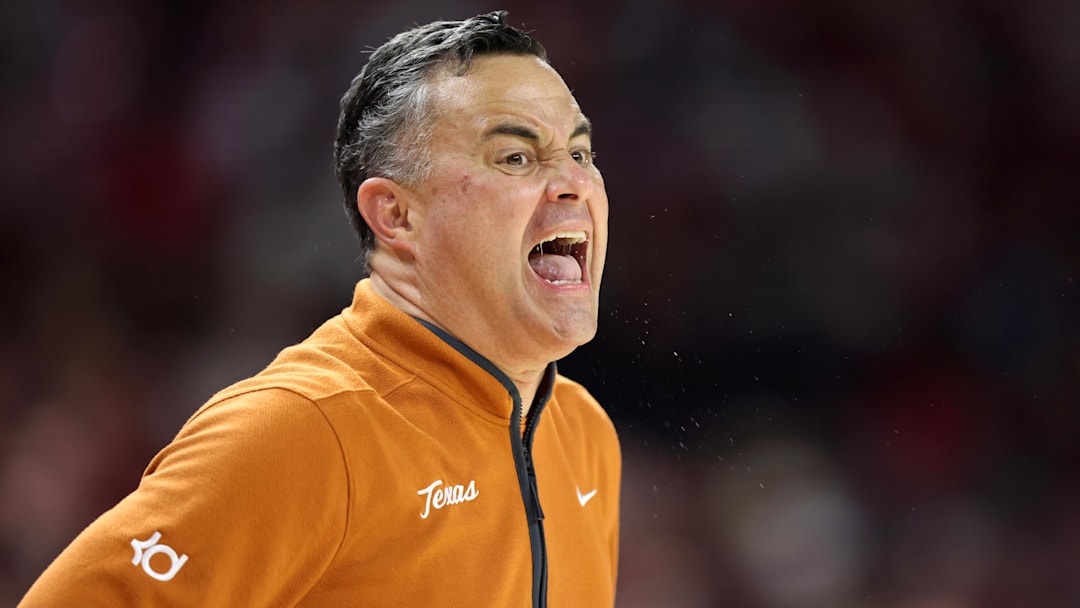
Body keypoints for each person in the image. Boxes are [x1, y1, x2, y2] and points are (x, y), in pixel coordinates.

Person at [19, 10, 619, 607]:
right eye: (515, 157)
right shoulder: (301, 431)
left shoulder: (584, 434)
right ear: (396, 216)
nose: (575, 182)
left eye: (580, 153)